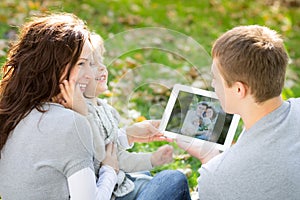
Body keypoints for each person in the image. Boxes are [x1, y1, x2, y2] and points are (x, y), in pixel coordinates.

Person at [0, 13, 190, 200]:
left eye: (90, 63)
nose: (91, 74)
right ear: (54, 67)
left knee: (140, 178)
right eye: (82, 64)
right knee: (173, 179)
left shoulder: (16, 109)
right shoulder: (71, 123)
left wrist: (126, 136)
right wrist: (110, 171)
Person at [60, 33, 191, 200]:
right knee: (174, 179)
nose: (102, 68)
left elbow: (114, 153)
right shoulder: (78, 113)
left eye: (101, 61)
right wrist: (152, 159)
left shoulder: (106, 110)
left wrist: (128, 135)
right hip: (108, 192)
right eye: (90, 64)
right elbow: (104, 156)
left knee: (143, 174)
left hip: (117, 183)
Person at [176, 25, 300, 199]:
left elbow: (225, 180)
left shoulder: (215, 177)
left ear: (239, 90)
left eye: (215, 79)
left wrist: (209, 160)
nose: (213, 85)